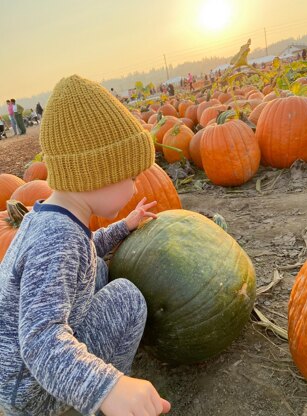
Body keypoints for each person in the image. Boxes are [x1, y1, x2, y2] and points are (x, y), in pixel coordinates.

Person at [0, 75, 171, 416]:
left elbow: (86, 248)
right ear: (97, 174)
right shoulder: (59, 239)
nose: (136, 188)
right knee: (126, 298)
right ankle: (108, 403)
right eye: (132, 177)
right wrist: (106, 388)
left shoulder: (50, 216)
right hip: (31, 389)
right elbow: (40, 341)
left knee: (99, 267)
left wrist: (124, 225)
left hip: (15, 370)